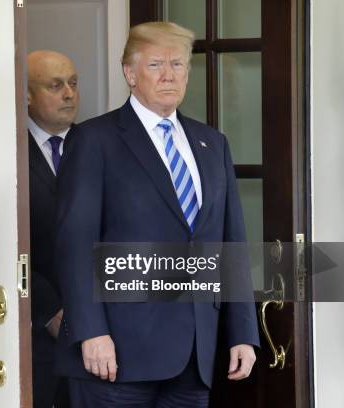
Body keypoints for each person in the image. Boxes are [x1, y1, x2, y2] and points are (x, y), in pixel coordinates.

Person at [53, 22, 260, 408]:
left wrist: (242, 332)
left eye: (178, 64)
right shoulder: (94, 140)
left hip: (194, 355)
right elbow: (75, 245)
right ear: (130, 74)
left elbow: (231, 244)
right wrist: (91, 333)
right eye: (156, 65)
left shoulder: (213, 144)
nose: (169, 75)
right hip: (115, 356)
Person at [27, 50, 78, 408]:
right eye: (55, 85)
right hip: (36, 327)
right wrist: (48, 310)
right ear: (26, 95)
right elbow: (2, 238)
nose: (69, 94)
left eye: (73, 84)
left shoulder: (98, 144)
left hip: (98, 326)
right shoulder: (1, 149)